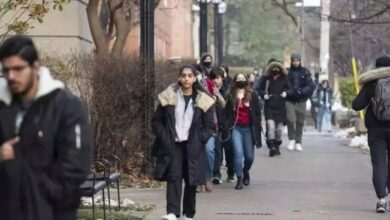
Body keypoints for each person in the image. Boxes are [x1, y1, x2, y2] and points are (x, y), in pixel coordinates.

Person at [0, 35, 92, 220]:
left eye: (18, 69)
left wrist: (21, 159)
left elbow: (75, 167)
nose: (11, 76)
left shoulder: (66, 107)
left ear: (36, 66)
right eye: (6, 70)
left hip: (52, 212)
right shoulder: (3, 106)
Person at [152, 65, 215, 220]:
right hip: (174, 144)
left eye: (189, 76)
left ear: (194, 79)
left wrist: (200, 139)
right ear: (179, 78)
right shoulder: (169, 97)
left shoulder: (203, 100)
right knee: (174, 177)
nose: (186, 78)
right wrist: (165, 137)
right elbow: (156, 121)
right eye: (183, 75)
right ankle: (172, 212)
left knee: (191, 179)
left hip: (193, 144)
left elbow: (209, 127)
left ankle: (188, 214)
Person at [352, 56, 390, 213]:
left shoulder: (371, 83)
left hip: (376, 130)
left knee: (379, 163)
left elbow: (356, 105)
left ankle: (381, 200)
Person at [224, 73, 262, 190]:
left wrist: (257, 124)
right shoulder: (230, 95)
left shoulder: (252, 95)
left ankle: (246, 170)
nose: (241, 80)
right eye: (238, 79)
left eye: (243, 79)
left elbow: (258, 112)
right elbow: (226, 112)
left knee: (249, 156)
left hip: (248, 129)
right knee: (238, 153)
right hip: (236, 128)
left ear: (246, 81)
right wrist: (226, 125)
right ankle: (239, 178)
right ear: (235, 81)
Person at [258, 61, 290, 157]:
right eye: (273, 69)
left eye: (277, 68)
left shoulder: (285, 78)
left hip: (281, 106)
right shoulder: (266, 79)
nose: (275, 70)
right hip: (270, 106)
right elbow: (259, 88)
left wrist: (286, 93)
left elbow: (290, 89)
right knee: (271, 127)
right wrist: (264, 95)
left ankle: (277, 145)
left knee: (279, 130)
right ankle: (271, 146)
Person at [208, 66, 234, 184]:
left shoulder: (228, 91)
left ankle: (231, 173)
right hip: (215, 125)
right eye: (212, 78)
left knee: (229, 150)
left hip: (227, 126)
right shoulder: (208, 91)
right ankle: (216, 174)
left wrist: (228, 125)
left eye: (217, 78)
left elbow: (230, 110)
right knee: (217, 150)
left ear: (222, 78)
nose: (215, 80)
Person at [285, 53, 315, 152]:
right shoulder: (287, 72)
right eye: (294, 60)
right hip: (290, 99)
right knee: (290, 119)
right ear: (291, 61)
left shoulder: (305, 72)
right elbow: (284, 85)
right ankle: (292, 139)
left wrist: (302, 91)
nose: (295, 62)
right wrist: (288, 92)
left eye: (297, 60)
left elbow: (311, 86)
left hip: (301, 100)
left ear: (300, 61)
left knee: (300, 121)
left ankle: (298, 141)